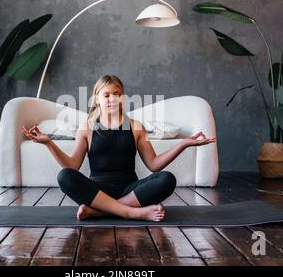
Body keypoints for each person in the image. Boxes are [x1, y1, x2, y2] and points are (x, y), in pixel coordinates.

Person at [22, 75, 216, 222]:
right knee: (64, 176)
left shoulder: (136, 127)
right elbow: (72, 166)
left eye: (117, 94)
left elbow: (154, 165)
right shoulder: (87, 127)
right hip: (97, 189)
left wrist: (184, 143)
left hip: (130, 190)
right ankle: (132, 213)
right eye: (106, 95)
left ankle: (100, 211)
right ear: (97, 99)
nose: (112, 99)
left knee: (167, 179)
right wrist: (49, 143)